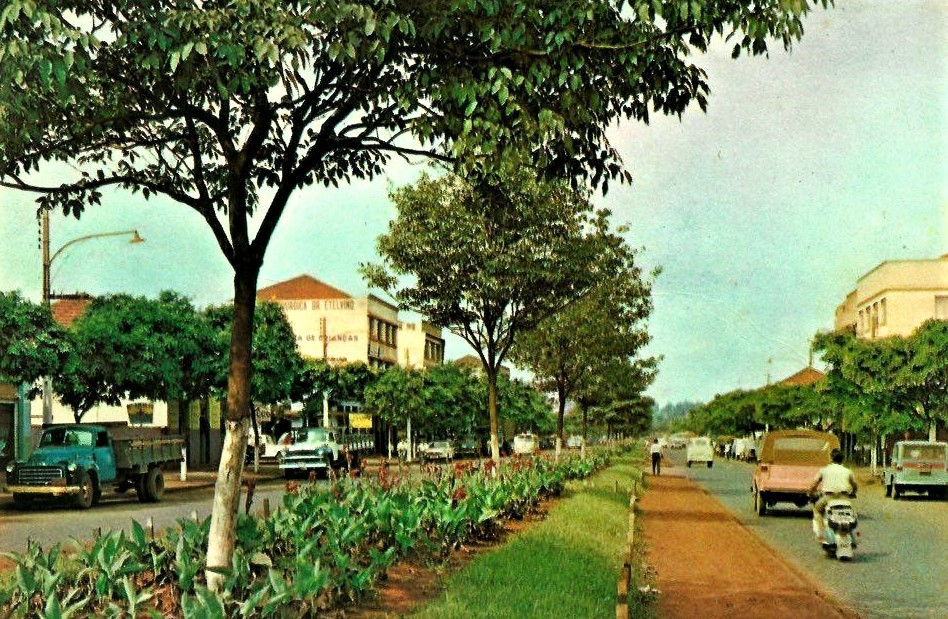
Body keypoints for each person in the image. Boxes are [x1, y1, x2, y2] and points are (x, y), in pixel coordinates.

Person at [808, 449, 858, 542]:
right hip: (844, 498)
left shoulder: (824, 470)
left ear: (831, 458)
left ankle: (820, 534)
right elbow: (854, 485)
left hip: (828, 498)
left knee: (817, 511)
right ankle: (852, 534)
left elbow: (814, 485)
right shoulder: (847, 471)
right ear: (843, 459)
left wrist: (810, 494)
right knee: (852, 514)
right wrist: (853, 493)